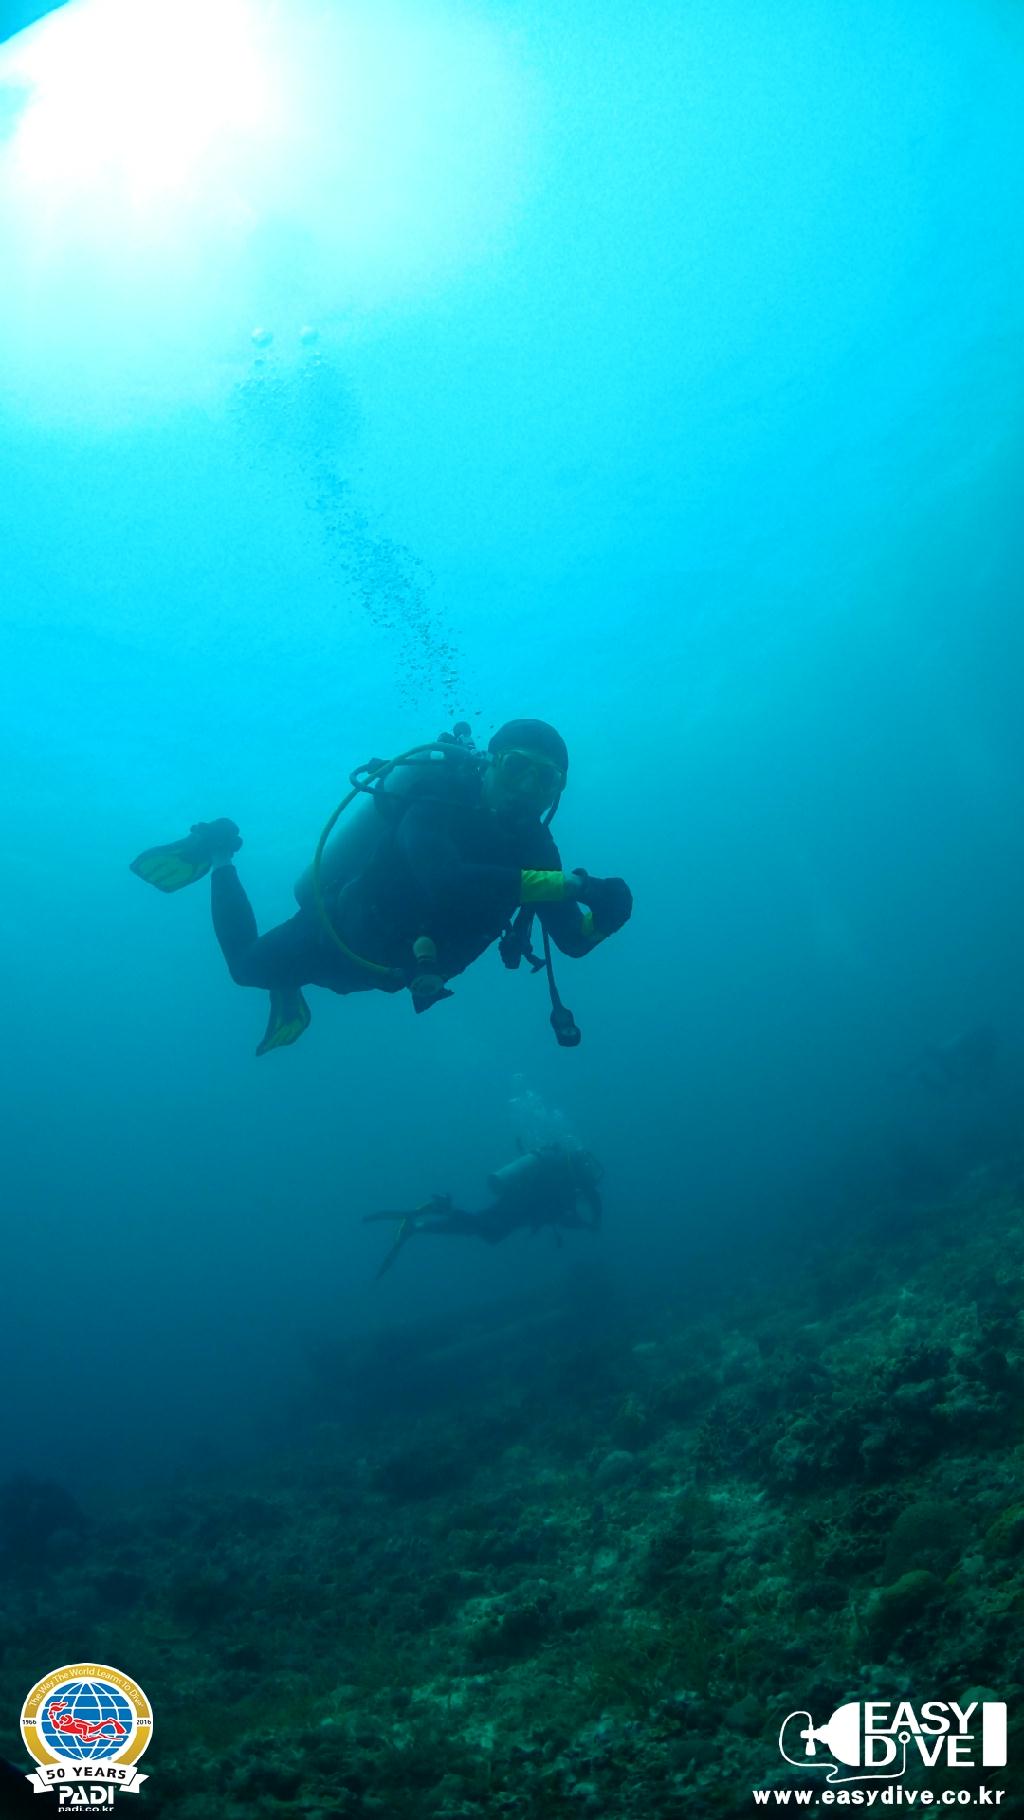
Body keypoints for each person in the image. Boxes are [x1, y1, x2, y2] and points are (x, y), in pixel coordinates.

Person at [130, 719, 632, 1054]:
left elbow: (571, 940)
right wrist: (572, 886)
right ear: (490, 762)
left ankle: (291, 978)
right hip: (339, 929)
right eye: (518, 767)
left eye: (546, 780)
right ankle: (218, 852)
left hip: (388, 971)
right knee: (245, 969)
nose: (527, 788)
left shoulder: (538, 848)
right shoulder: (436, 799)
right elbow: (445, 878)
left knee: (337, 984)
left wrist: (607, 917)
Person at [364, 1141, 603, 1277]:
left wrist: (588, 1222)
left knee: (483, 1230)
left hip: (516, 1203)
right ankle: (444, 1210)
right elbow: (577, 1209)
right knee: (485, 1228)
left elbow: (576, 1207)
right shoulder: (572, 1183)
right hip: (519, 1206)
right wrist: (592, 1223)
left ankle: (418, 1226)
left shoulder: (566, 1177)